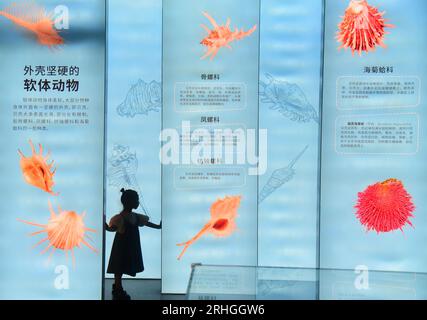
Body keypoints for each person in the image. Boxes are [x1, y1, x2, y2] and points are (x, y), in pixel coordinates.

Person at [105, 188, 161, 300]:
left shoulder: (134, 216)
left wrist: (158, 226)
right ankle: (118, 287)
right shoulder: (120, 218)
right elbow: (113, 228)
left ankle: (117, 287)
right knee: (119, 266)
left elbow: (146, 223)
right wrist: (106, 227)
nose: (138, 202)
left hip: (130, 246)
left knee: (122, 265)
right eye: (136, 200)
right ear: (130, 202)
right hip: (121, 247)